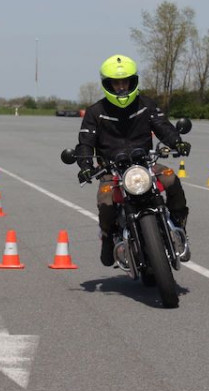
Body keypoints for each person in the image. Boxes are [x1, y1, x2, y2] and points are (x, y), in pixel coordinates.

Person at [75, 54, 191, 266]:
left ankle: (179, 225)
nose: (121, 87)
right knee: (105, 202)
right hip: (111, 170)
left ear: (132, 81)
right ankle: (108, 238)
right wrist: (85, 165)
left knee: (171, 179)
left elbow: (163, 126)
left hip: (145, 164)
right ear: (107, 84)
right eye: (116, 83)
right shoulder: (95, 112)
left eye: (125, 81)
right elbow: (85, 142)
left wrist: (177, 142)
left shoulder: (145, 104)